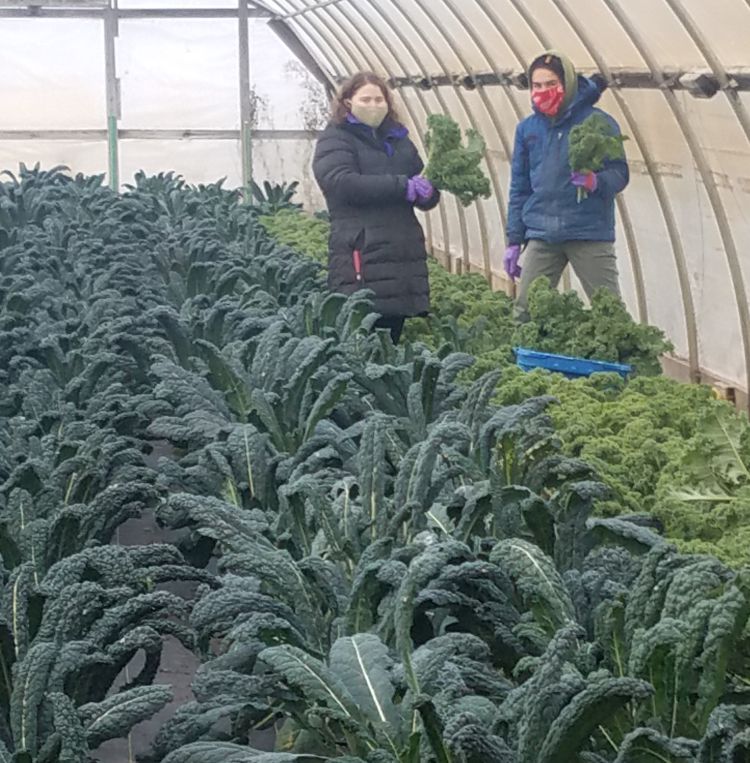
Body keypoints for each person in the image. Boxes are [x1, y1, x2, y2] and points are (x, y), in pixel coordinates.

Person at [312, 71, 440, 344]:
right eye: (365, 99)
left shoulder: (398, 139)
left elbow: (420, 179)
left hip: (402, 254)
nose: (373, 105)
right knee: (362, 331)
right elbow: (341, 183)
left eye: (379, 99)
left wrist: (428, 194)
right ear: (347, 102)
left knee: (392, 333)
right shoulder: (335, 138)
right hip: (362, 251)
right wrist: (401, 186)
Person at [504, 51, 629, 322]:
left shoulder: (598, 123)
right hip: (541, 232)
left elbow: (620, 173)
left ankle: (619, 363)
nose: (543, 91)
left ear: (568, 83)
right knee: (525, 311)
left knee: (610, 314)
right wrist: (514, 240)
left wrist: (596, 182)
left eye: (551, 84)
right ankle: (522, 363)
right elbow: (520, 187)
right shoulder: (528, 129)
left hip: (588, 231)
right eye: (536, 86)